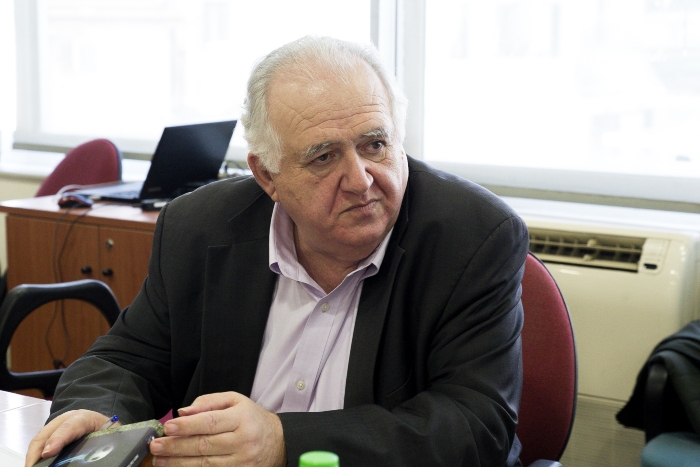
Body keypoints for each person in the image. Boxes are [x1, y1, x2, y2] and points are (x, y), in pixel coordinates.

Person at [25, 36, 529, 467]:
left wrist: (283, 441)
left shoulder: (473, 237)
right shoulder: (199, 227)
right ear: (267, 175)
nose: (360, 180)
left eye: (375, 144)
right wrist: (99, 413)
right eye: (324, 157)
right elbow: (128, 359)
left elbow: (475, 425)